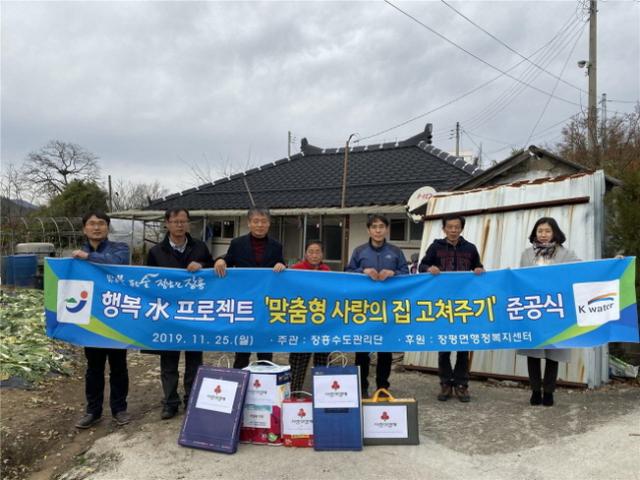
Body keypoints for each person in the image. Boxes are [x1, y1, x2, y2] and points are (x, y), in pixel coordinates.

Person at [147, 207, 214, 419]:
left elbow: (213, 270)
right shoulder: (156, 252)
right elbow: (148, 281)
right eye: (175, 221)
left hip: (194, 313)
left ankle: (192, 399)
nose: (179, 225)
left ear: (188, 224)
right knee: (169, 361)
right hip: (168, 314)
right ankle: (170, 402)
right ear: (167, 223)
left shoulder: (200, 247)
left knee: (194, 360)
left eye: (183, 221)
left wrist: (202, 265)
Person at [72, 211, 131, 428]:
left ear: (108, 227)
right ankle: (93, 411)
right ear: (84, 229)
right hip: (91, 319)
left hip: (115, 316)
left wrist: (87, 258)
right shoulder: (75, 256)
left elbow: (116, 263)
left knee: (119, 366)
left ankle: (119, 409)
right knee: (94, 368)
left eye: (101, 223)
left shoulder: (120, 249)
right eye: (91, 224)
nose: (96, 227)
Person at [419, 214, 484, 403]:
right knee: (444, 346)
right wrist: (428, 269)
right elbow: (422, 265)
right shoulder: (435, 247)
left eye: (457, 227)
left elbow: (478, 267)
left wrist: (479, 270)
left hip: (464, 304)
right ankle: (446, 383)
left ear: (461, 229)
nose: (453, 230)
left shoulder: (470, 248)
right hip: (443, 304)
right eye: (450, 227)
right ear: (444, 229)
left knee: (464, 346)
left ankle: (462, 384)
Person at [517, 217, 579, 407]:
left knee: (554, 351)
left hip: (555, 308)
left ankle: (549, 392)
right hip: (534, 308)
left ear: (555, 233)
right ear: (535, 233)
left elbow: (585, 269)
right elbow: (520, 278)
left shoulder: (566, 254)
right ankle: (535, 391)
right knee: (533, 351)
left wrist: (613, 263)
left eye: (547, 231)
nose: (543, 234)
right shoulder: (527, 254)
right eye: (540, 231)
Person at [214, 207, 286, 369]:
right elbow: (228, 259)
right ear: (249, 223)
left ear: (269, 224)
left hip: (266, 302)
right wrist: (220, 260)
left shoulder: (276, 246)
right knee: (242, 349)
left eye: (263, 222)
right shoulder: (237, 243)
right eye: (256, 221)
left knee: (265, 349)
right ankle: (239, 379)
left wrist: (281, 265)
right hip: (244, 301)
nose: (260, 225)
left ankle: (265, 378)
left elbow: (281, 264)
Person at [346, 214, 409, 398]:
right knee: (362, 350)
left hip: (388, 308)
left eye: (381, 226)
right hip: (364, 307)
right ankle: (362, 387)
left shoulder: (396, 251)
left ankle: (383, 387)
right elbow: (348, 272)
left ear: (387, 229)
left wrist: (393, 273)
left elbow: (406, 274)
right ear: (368, 230)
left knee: (385, 349)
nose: (378, 230)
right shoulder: (359, 251)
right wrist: (363, 271)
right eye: (374, 227)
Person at [288, 241, 331, 391]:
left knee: (322, 362)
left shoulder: (328, 272)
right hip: (301, 323)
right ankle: (294, 394)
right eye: (311, 252)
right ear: (305, 253)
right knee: (298, 362)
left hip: (321, 323)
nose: (314, 255)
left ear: (322, 254)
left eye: (317, 252)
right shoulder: (296, 270)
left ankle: (322, 395)